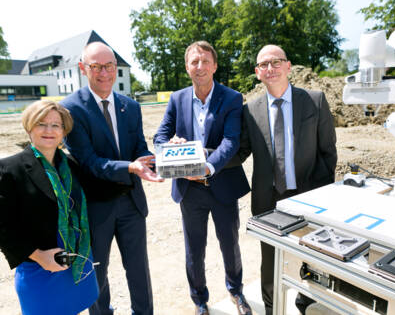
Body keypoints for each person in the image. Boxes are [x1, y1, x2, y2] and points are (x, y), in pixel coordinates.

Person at [61, 42, 162, 315]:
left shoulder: (130, 106)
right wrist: (131, 167)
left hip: (132, 202)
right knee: (97, 272)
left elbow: (139, 147)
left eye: (109, 66)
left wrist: (165, 158)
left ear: (116, 68)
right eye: (96, 66)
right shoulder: (70, 109)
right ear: (83, 68)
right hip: (96, 207)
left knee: (139, 270)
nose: (103, 72)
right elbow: (90, 162)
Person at [236, 45, 337, 315]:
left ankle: (305, 302)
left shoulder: (315, 101)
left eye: (276, 62)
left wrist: (323, 197)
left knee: (311, 257)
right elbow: (239, 151)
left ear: (288, 66)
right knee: (270, 262)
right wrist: (202, 157)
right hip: (268, 201)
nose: (271, 68)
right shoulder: (250, 110)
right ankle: (272, 309)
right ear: (258, 73)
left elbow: (328, 153)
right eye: (264, 65)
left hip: (308, 198)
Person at [154, 41, 252, 315]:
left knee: (230, 245)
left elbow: (231, 142)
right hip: (189, 190)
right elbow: (159, 137)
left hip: (221, 185)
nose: (200, 67)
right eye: (194, 62)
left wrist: (206, 168)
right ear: (187, 67)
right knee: (194, 250)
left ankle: (236, 291)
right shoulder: (177, 98)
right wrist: (171, 145)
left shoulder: (232, 98)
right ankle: (199, 300)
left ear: (215, 65)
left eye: (205, 61)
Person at [0, 100, 99, 315]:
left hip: (74, 264)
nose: (49, 130)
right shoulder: (9, 169)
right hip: (40, 270)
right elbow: (3, 228)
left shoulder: (70, 165)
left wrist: (135, 168)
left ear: (64, 131)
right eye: (41, 123)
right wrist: (38, 256)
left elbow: (99, 189)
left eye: (56, 125)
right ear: (29, 127)